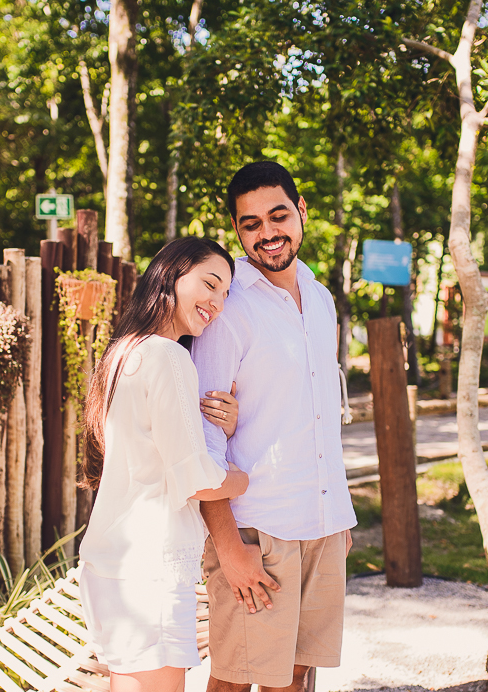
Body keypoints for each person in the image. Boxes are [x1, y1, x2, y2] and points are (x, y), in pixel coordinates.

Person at [191, 161, 356, 692]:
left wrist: (339, 516)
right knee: (237, 679)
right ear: (237, 231)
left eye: (277, 216)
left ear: (302, 211)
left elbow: (317, 413)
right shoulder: (230, 307)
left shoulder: (323, 299)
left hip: (323, 522)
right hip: (256, 530)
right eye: (251, 223)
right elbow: (204, 438)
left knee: (297, 677)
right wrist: (229, 549)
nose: (268, 233)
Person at [78, 236, 250, 692]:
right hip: (150, 568)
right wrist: (243, 479)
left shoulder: (123, 353)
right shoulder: (169, 355)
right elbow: (197, 481)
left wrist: (221, 429)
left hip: (112, 564)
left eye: (225, 293)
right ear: (171, 274)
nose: (216, 302)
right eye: (209, 283)